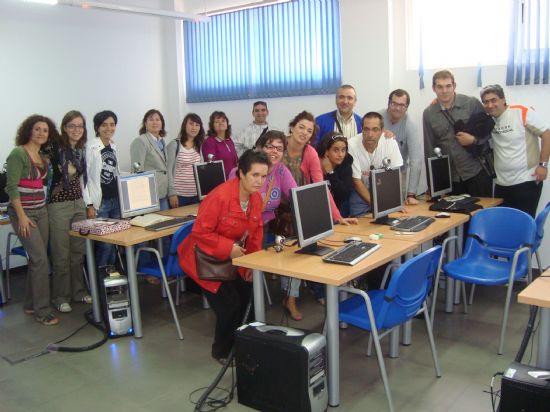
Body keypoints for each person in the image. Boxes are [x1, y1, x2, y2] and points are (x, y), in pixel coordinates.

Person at [177, 150, 268, 364]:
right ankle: (222, 351)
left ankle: (247, 344)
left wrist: (250, 267)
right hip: (203, 259)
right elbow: (200, 233)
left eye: (264, 176)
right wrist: (228, 248)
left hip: (229, 258)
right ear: (241, 173)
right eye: (255, 175)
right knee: (230, 305)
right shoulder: (219, 197)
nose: (259, 181)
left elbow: (256, 233)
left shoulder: (255, 198)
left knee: (250, 298)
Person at [281, 111, 357, 316]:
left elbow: (321, 187)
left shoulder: (310, 153)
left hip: (301, 206)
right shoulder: (277, 145)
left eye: (309, 130)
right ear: (292, 127)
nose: (304, 133)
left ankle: (291, 298)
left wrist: (337, 216)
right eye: (301, 127)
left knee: (301, 248)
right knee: (286, 249)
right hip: (276, 209)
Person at [6, 115, 58, 325]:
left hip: (41, 211)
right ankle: (42, 311)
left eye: (45, 130)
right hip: (23, 214)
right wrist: (22, 217)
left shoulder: (42, 155)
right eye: (37, 129)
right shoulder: (18, 153)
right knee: (39, 260)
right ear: (29, 130)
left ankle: (29, 304)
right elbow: (11, 188)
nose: (41, 133)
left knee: (38, 258)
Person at [480, 84, 550, 218]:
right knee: (503, 227)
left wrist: (543, 166)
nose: (490, 105)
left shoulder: (521, 111)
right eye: (486, 102)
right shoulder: (487, 120)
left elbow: (546, 134)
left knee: (523, 228)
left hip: (526, 182)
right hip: (501, 184)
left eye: (493, 100)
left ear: (503, 99)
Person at [423, 70, 493, 197]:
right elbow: (429, 149)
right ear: (434, 88)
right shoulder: (428, 113)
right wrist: (433, 185)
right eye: (440, 87)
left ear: (454, 86)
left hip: (477, 171)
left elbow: (489, 131)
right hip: (451, 178)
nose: (444, 91)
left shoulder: (471, 103)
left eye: (448, 86)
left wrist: (474, 140)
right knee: (457, 216)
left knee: (483, 215)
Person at [48, 110, 91, 313]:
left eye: (80, 126)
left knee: (78, 252)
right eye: (72, 126)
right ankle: (60, 297)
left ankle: (78, 292)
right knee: (61, 254)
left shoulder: (81, 149)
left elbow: (81, 178)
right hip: (58, 205)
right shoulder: (55, 148)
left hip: (78, 204)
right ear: (64, 128)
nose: (76, 130)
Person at [347, 112, 404, 217]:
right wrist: (377, 207)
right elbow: (356, 181)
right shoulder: (351, 144)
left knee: (394, 221)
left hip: (383, 191)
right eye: (366, 129)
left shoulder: (390, 142)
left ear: (382, 131)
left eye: (375, 129)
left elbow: (396, 175)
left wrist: (395, 201)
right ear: (362, 129)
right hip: (360, 192)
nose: (370, 134)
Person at [84, 110, 120, 267]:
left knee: (115, 240)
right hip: (100, 202)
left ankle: (111, 280)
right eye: (104, 125)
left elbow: (114, 173)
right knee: (104, 245)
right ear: (97, 127)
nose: (109, 128)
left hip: (115, 200)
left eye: (112, 125)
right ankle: (100, 281)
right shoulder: (91, 147)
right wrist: (89, 204)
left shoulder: (112, 145)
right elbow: (84, 178)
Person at [379, 89, 423, 204]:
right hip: (375, 171)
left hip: (398, 174)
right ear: (388, 103)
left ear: (407, 107)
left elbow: (416, 160)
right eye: (394, 104)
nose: (397, 108)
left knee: (397, 207)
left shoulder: (410, 126)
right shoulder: (377, 119)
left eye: (402, 105)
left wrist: (411, 194)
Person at [131, 109, 170, 210]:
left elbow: (166, 169)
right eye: (151, 119)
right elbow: (137, 172)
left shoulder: (161, 141)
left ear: (162, 123)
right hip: (149, 195)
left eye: (158, 119)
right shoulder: (140, 141)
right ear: (145, 123)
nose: (155, 122)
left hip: (163, 193)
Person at [166, 113, 205, 208]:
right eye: (191, 124)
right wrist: (171, 193)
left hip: (196, 195)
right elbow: (168, 171)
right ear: (184, 125)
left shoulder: (200, 145)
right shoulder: (174, 144)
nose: (194, 127)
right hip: (178, 195)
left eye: (197, 125)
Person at [317, 132, 354, 217]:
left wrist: (331, 173)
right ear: (326, 151)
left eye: (343, 150)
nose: (340, 155)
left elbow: (344, 195)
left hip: (337, 210)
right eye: (336, 150)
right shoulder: (316, 164)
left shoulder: (346, 164)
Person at [201, 111, 238, 179]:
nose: (221, 123)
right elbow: (211, 166)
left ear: (227, 124)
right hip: (220, 181)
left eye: (223, 120)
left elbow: (235, 162)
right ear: (212, 125)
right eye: (217, 122)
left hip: (233, 179)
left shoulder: (229, 140)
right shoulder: (209, 142)